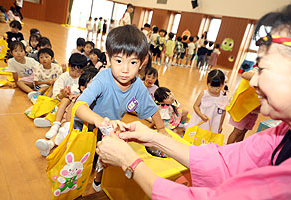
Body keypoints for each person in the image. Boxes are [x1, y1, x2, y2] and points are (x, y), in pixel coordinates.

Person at [96, 5, 291, 199]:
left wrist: (129, 161)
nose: (254, 81)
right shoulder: (280, 135)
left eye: (263, 68)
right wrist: (153, 137)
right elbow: (223, 161)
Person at [74, 25, 166, 192]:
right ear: (108, 58)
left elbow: (152, 109)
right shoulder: (102, 78)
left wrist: (162, 129)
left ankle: (98, 180)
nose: (125, 69)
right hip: (85, 127)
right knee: (79, 161)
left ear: (142, 62)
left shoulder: (138, 86)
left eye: (132, 62)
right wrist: (99, 121)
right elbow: (79, 107)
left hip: (108, 129)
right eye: (118, 61)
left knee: (107, 156)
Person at [35, 68, 99, 156]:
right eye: (93, 84)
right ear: (83, 88)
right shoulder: (79, 99)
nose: (98, 87)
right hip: (71, 122)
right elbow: (70, 119)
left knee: (67, 128)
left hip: (84, 128)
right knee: (67, 126)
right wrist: (73, 101)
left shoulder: (100, 98)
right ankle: (50, 142)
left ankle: (52, 129)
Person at [34, 53, 87, 129]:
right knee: (49, 106)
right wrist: (63, 94)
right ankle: (51, 119)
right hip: (60, 101)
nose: (75, 73)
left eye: (79, 72)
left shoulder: (83, 78)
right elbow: (57, 92)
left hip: (74, 103)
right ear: (69, 65)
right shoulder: (64, 77)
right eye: (72, 70)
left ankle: (52, 121)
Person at [186, 69, 228, 133]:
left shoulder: (223, 97)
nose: (214, 90)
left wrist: (220, 125)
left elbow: (223, 113)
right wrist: (201, 115)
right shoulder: (204, 94)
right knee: (195, 135)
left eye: (218, 88)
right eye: (211, 87)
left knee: (208, 137)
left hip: (214, 122)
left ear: (222, 85)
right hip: (200, 120)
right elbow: (195, 106)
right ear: (207, 84)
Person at [227, 68, 260, 144]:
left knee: (244, 130)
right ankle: (226, 150)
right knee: (237, 131)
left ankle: (238, 148)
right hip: (244, 108)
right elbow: (245, 74)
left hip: (254, 111)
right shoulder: (258, 70)